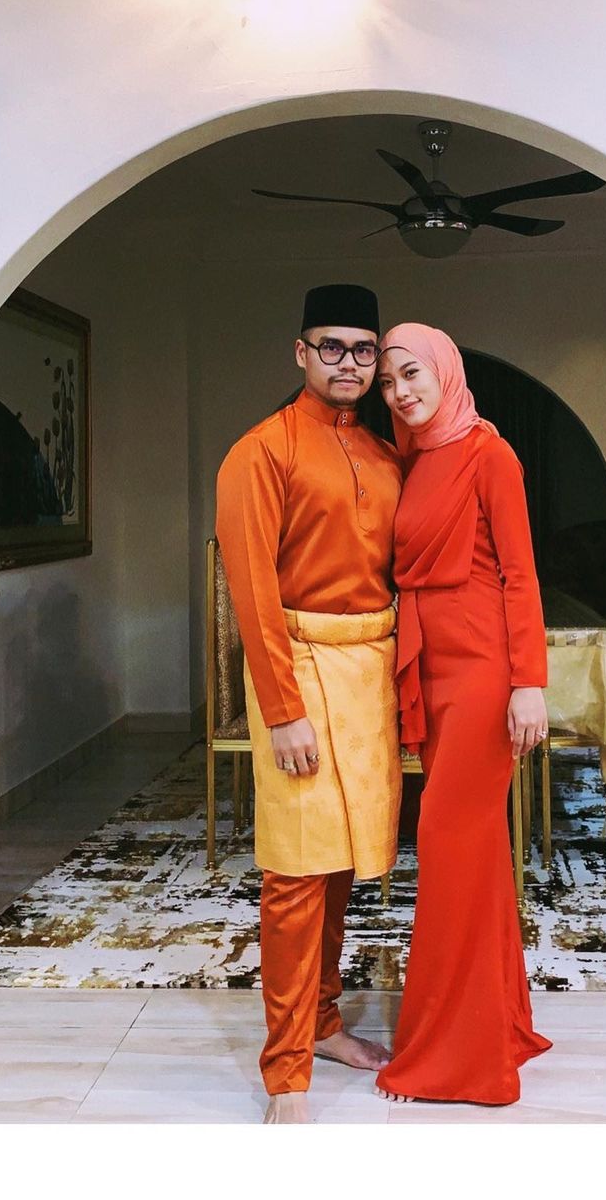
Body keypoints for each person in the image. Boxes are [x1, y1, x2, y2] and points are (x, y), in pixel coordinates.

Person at [215, 284, 404, 1125]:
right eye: (332, 346)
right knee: (295, 872)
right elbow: (253, 593)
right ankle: (286, 1074)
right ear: (301, 352)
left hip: (369, 672)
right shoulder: (261, 451)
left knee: (340, 867)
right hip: (297, 668)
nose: (349, 363)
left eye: (363, 350)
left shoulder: (386, 452)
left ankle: (323, 1024)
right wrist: (282, 708)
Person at [372, 322, 553, 1106]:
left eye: (411, 373)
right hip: (432, 669)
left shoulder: (490, 453)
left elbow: (521, 573)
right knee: (474, 856)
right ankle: (497, 1026)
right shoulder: (413, 457)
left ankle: (452, 1058)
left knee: (447, 846)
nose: (399, 391)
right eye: (388, 381)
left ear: (445, 370)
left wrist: (528, 681)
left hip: (482, 672)